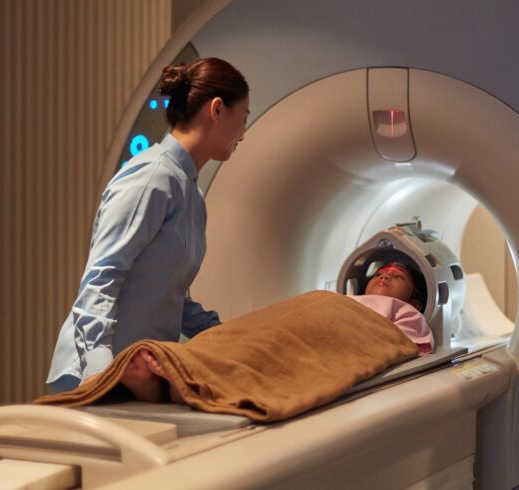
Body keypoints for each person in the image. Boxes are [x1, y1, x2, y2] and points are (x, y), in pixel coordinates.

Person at [46, 58, 251, 393]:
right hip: (100, 373)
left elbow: (169, 295)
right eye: (243, 118)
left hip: (139, 376)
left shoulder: (191, 193)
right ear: (216, 110)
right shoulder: (153, 178)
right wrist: (101, 371)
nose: (243, 133)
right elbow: (101, 277)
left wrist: (224, 335)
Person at [117, 261, 434, 404]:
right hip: (321, 312)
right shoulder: (339, 299)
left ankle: (177, 382)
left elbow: (402, 348)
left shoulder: (407, 316)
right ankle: (181, 368)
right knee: (249, 334)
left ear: (416, 300)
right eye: (380, 272)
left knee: (273, 354)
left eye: (396, 275)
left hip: (345, 329)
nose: (385, 276)